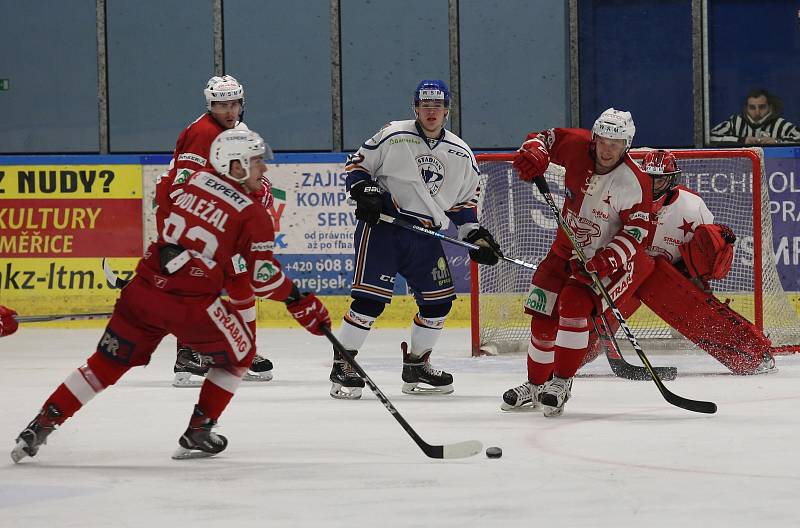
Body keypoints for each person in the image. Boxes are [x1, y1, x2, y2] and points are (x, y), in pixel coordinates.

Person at [11, 129, 331, 462]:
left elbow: (168, 199)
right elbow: (262, 278)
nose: (263, 169)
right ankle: (199, 430)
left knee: (103, 365)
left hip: (143, 290)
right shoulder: (253, 214)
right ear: (235, 166)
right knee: (241, 355)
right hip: (190, 303)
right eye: (256, 162)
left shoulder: (192, 182)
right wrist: (298, 299)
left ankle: (41, 423)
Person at [330, 79, 502, 399]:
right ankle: (344, 364)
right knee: (370, 301)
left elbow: (463, 207)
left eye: (438, 106)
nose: (432, 111)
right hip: (384, 227)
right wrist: (364, 190)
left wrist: (476, 235)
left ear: (447, 110)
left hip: (425, 234)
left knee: (439, 302)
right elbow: (357, 166)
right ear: (416, 107)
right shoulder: (393, 134)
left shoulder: (461, 153)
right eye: (426, 105)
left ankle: (417, 365)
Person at [501, 108, 655, 416]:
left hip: (599, 263)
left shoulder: (633, 183)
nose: (608, 148)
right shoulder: (577, 145)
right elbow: (543, 139)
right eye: (604, 140)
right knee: (542, 320)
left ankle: (560, 383)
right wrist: (534, 151)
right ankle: (535, 384)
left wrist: (606, 260)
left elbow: (637, 235)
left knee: (572, 307)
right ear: (595, 137)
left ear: (627, 145)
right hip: (562, 253)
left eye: (617, 142)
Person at [579, 149, 776, 376]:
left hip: (667, 276)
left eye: (660, 179)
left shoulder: (692, 207)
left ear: (672, 180)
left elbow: (707, 254)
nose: (653, 186)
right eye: (648, 179)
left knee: (698, 309)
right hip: (625, 269)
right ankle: (565, 357)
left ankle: (751, 354)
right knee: (591, 313)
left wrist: (706, 263)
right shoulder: (621, 197)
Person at [158, 74, 276, 386]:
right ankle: (187, 358)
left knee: (240, 281)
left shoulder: (238, 130)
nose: (228, 110)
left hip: (216, 215)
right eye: (221, 105)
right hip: (186, 214)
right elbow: (181, 186)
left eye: (234, 103)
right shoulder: (202, 132)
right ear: (210, 105)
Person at [710, 88, 800, 146]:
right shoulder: (735, 122)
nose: (757, 112)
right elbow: (711, 137)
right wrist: (742, 140)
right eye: (752, 107)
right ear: (746, 108)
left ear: (770, 107)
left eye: (762, 107)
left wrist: (777, 141)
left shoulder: (780, 124)